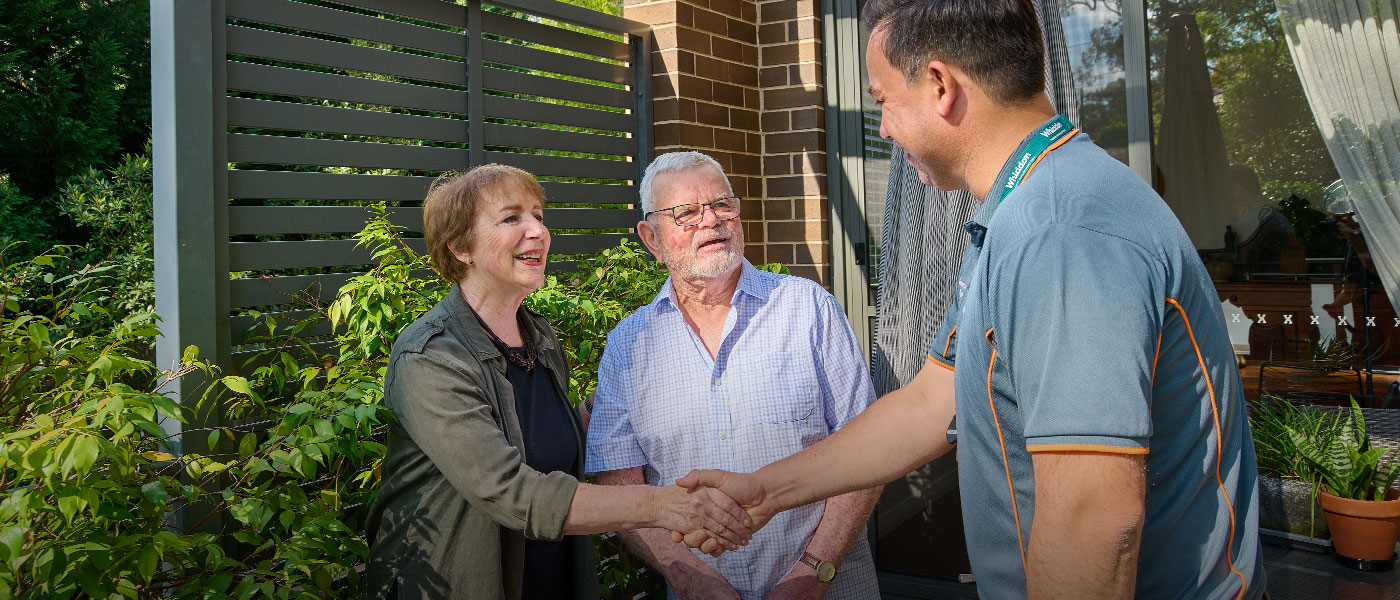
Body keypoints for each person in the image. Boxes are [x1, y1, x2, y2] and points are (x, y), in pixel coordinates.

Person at [676, 1, 1265, 598]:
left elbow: (1094, 517)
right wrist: (768, 492)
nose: (880, 128)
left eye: (882, 100)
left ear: (939, 86)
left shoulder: (1060, 233)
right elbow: (931, 403)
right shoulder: (1023, 215)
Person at [363, 164, 752, 600]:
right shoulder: (432, 357)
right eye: (512, 218)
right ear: (460, 247)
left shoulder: (537, 337)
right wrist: (666, 506)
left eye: (539, 216)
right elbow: (512, 491)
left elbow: (560, 436)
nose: (538, 231)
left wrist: (642, 381)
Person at [585, 152, 882, 600]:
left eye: (723, 205)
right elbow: (617, 481)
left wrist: (814, 570)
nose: (711, 220)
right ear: (652, 239)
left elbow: (869, 449)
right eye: (686, 213)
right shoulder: (629, 345)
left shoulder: (808, 309)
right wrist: (689, 577)